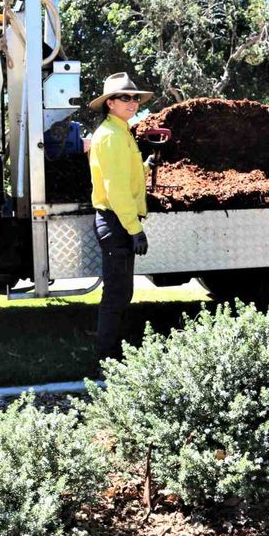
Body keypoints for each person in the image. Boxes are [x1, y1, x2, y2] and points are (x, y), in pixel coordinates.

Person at [89, 72, 154, 360]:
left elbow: (125, 177)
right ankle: (108, 358)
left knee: (120, 293)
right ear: (110, 103)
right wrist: (134, 229)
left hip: (117, 222)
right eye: (125, 97)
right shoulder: (112, 136)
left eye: (135, 97)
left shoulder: (120, 132)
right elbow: (115, 189)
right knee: (116, 295)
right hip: (116, 222)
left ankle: (112, 353)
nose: (133, 102)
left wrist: (147, 166)